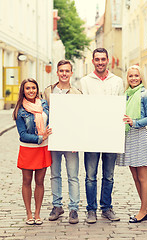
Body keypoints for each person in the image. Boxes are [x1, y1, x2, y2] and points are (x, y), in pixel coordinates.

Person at [80, 48, 124, 223]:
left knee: (109, 175)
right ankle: (91, 210)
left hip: (111, 135)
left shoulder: (117, 81)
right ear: (93, 61)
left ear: (108, 61)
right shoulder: (85, 82)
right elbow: (82, 109)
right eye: (97, 59)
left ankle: (106, 207)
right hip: (91, 136)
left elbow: (122, 106)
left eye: (103, 59)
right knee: (90, 175)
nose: (100, 62)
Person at [43, 60, 81, 224]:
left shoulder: (77, 93)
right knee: (55, 175)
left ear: (71, 73)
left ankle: (74, 208)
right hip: (54, 140)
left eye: (67, 71)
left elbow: (81, 119)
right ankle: (57, 206)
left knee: (73, 176)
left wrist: (77, 140)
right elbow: (42, 113)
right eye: (61, 71)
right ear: (57, 73)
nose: (64, 73)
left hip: (71, 141)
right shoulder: (48, 92)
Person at [116, 65, 147, 223]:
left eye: (136, 76)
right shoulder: (125, 95)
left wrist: (135, 122)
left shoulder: (146, 95)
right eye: (130, 76)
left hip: (140, 136)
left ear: (141, 77)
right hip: (128, 137)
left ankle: (142, 210)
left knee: (143, 177)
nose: (133, 78)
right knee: (135, 176)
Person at [13, 78, 52, 225]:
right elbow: (22, 134)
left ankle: (37, 213)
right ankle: (29, 213)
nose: (31, 91)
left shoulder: (43, 104)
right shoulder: (20, 109)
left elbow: (52, 122)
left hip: (43, 149)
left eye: (33, 88)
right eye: (28, 88)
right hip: (28, 149)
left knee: (40, 182)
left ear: (37, 89)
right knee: (27, 181)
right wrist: (40, 137)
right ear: (23, 90)